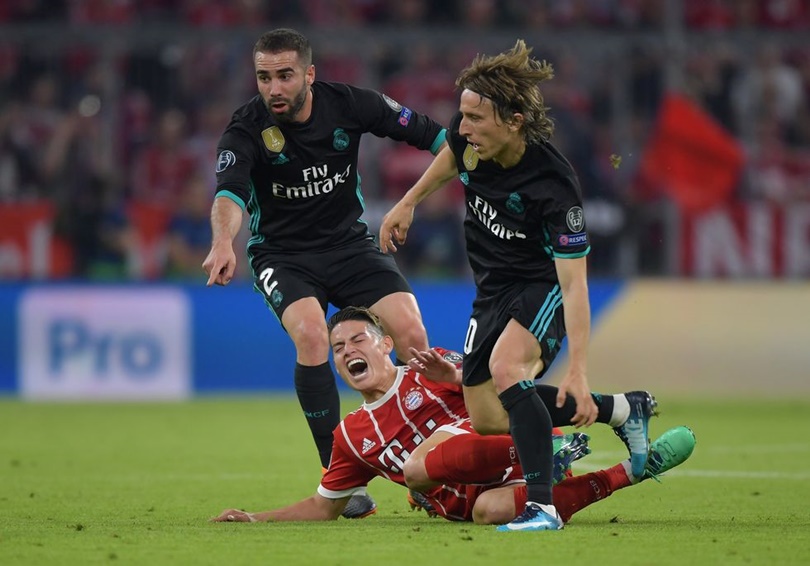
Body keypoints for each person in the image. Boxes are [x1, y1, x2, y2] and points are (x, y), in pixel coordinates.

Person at [379, 39, 657, 531]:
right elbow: (452, 156)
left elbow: (575, 286)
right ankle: (623, 409)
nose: (462, 129)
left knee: (508, 369)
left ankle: (542, 508)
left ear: (514, 121)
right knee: (488, 415)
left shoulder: (554, 186)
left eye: (475, 119)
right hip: (491, 289)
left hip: (540, 284)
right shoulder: (469, 140)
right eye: (462, 116)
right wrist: (409, 201)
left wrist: (578, 370)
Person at [201, 29, 447, 519]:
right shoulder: (246, 128)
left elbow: (437, 137)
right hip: (282, 256)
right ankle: (340, 476)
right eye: (264, 77)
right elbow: (229, 193)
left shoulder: (351, 104)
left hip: (349, 247)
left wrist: (427, 192)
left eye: (285, 76)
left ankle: (434, 458)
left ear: (309, 74)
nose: (274, 88)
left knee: (413, 334)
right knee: (313, 335)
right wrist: (223, 241)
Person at [212, 307, 696, 525]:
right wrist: (255, 517)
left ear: (386, 344)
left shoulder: (432, 365)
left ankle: (545, 448)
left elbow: (509, 389)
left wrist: (457, 376)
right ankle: (632, 470)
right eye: (338, 348)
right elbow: (323, 507)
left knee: (415, 467)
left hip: (517, 443)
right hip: (477, 497)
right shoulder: (350, 437)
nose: (347, 351)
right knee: (489, 513)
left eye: (358, 340)